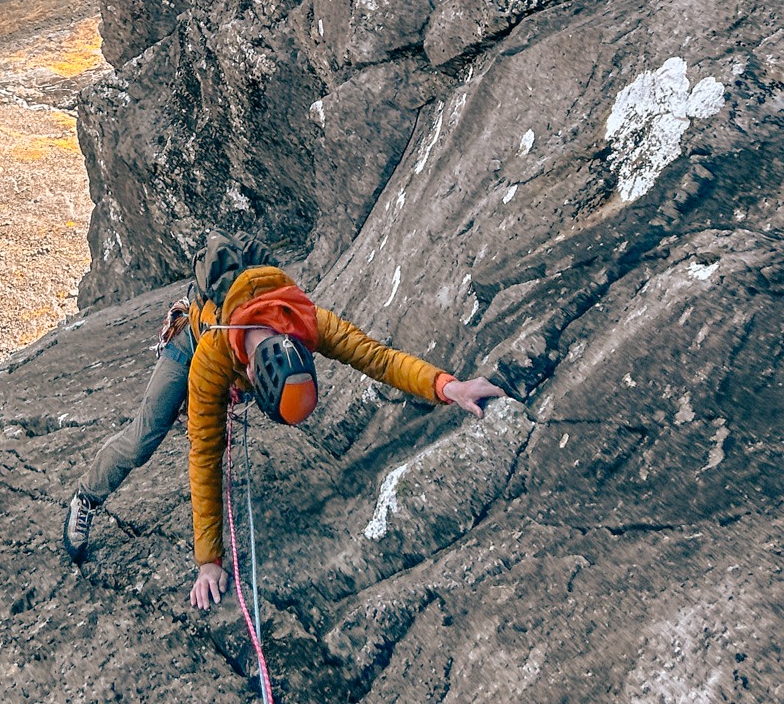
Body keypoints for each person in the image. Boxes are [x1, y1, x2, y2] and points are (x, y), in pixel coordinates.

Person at [185, 257, 503, 609]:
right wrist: (209, 562)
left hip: (240, 352)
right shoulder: (211, 359)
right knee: (142, 437)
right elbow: (205, 453)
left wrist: (449, 387)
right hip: (194, 334)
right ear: (249, 372)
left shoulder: (308, 322)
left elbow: (379, 359)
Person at [63, 232, 264, 563]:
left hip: (212, 362)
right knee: (143, 437)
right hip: (187, 348)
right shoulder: (234, 313)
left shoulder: (271, 331)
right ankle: (86, 497)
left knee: (211, 445)